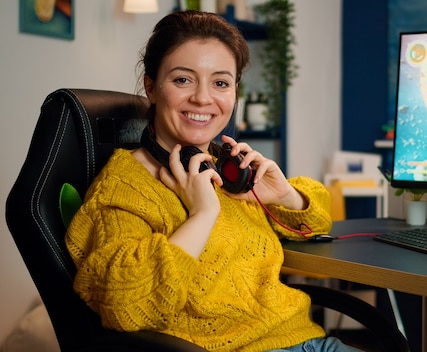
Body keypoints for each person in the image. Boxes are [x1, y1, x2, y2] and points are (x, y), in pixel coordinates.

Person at [65, 10, 363, 352]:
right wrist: (202, 215)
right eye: (183, 80)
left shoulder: (230, 169)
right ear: (151, 87)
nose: (203, 99)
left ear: (234, 93)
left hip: (308, 342)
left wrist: (285, 196)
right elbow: (124, 304)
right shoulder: (125, 186)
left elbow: (314, 223)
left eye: (220, 83)